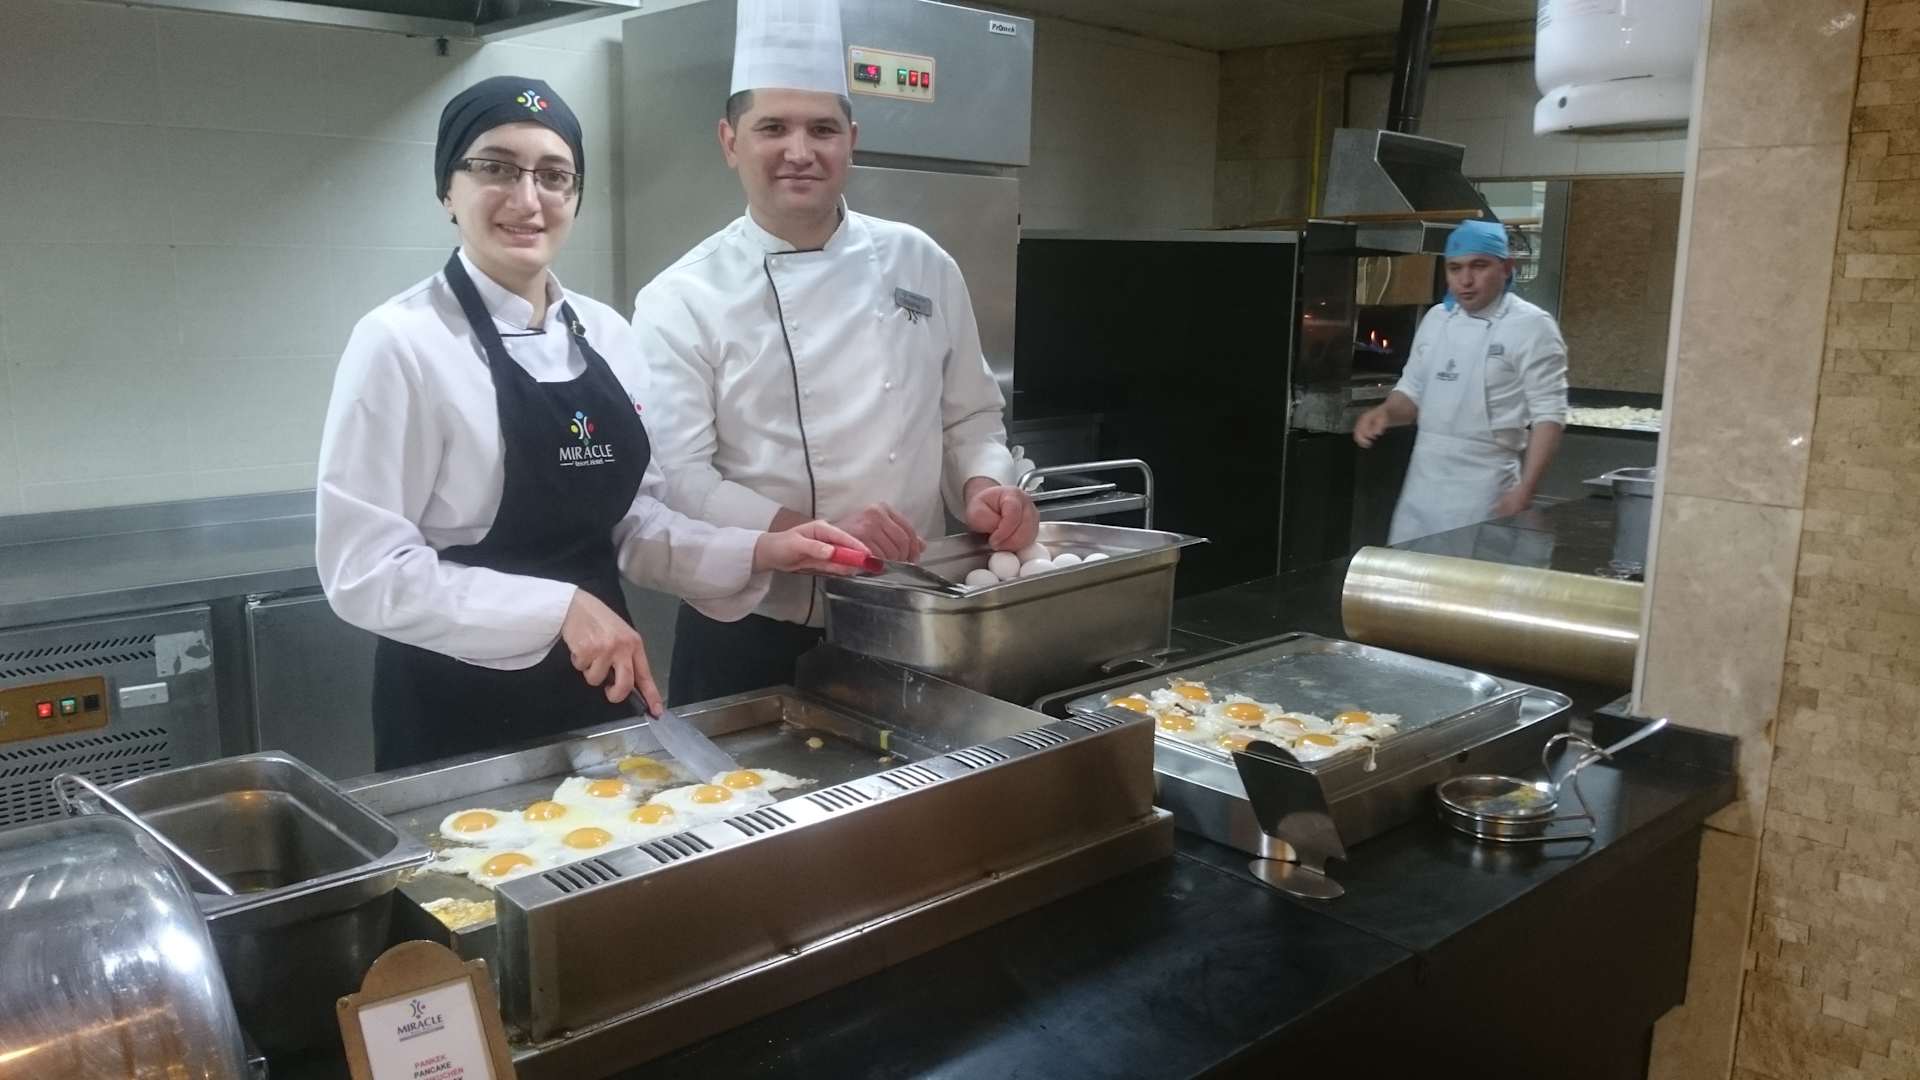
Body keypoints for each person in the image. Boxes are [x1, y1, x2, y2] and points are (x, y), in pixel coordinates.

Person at [315, 76, 865, 771]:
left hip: (601, 689)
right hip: (453, 705)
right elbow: (363, 572)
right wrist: (560, 609)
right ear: (447, 189)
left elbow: (633, 523)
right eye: (496, 168)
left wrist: (758, 549)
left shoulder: (604, 333)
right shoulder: (401, 341)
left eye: (554, 175)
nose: (528, 199)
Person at [630, 0, 1040, 705]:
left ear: (852, 140)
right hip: (752, 627)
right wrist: (812, 535)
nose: (800, 150)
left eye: (822, 128)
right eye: (772, 128)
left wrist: (985, 489)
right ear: (730, 142)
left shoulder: (921, 260)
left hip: (910, 612)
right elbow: (680, 479)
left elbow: (970, 418)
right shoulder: (680, 298)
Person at [1353, 219, 1569, 545]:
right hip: (1421, 488)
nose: (1465, 280)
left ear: (1506, 268)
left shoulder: (1532, 326)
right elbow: (1411, 393)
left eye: (1479, 266)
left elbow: (1549, 416)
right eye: (1455, 269)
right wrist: (1385, 412)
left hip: (1484, 491)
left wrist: (1525, 489)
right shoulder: (1436, 319)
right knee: (1409, 571)